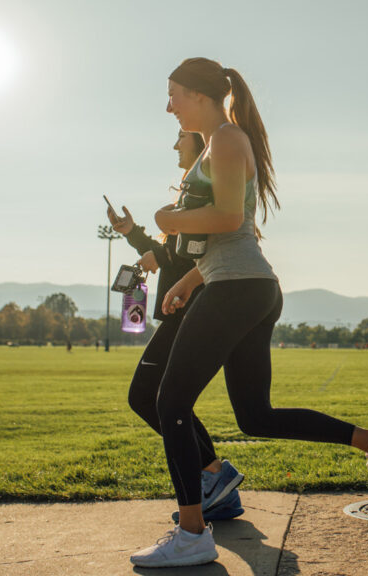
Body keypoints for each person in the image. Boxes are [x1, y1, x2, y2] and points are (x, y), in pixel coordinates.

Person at [129, 57, 368, 569]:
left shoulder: (228, 140)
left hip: (241, 290)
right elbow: (229, 239)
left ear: (200, 94)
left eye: (174, 94)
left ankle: (192, 533)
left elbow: (231, 217)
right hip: (238, 285)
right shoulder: (218, 144)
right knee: (255, 416)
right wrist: (191, 281)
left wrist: (164, 219)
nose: (168, 105)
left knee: (169, 400)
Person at [107, 129, 245, 524]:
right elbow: (173, 250)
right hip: (183, 309)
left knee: (147, 397)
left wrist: (157, 252)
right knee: (167, 400)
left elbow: (194, 251)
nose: (174, 145)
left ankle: (216, 474)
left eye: (181, 138)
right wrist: (132, 233)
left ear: (201, 145)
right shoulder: (190, 195)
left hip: (190, 309)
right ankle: (220, 492)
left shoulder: (206, 190)